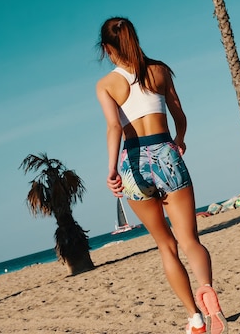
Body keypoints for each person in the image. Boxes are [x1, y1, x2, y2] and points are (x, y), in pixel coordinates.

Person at [95, 17, 228, 334]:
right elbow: (180, 115)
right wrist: (179, 140)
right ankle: (207, 290)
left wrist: (112, 169)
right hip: (165, 154)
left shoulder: (106, 85)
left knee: (166, 247)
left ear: (106, 49)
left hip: (132, 162)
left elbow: (114, 127)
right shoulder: (160, 71)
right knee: (189, 240)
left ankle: (195, 320)